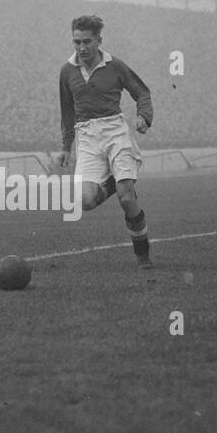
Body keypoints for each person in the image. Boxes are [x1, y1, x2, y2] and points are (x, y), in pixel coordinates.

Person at [56, 15, 154, 268]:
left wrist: (144, 116)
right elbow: (67, 112)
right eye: (76, 42)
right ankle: (117, 183)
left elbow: (141, 92)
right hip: (87, 138)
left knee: (126, 199)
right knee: (86, 201)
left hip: (114, 131)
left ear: (99, 40)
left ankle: (143, 256)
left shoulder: (115, 65)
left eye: (87, 42)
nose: (81, 48)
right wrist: (66, 147)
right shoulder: (67, 71)